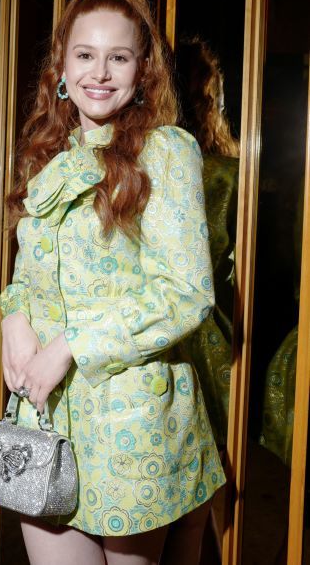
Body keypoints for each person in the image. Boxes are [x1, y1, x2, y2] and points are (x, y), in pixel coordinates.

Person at [0, 0, 225, 565]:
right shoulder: (48, 156)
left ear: (142, 69)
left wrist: (71, 344)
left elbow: (187, 291)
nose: (99, 73)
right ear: (62, 65)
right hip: (47, 415)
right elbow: (29, 270)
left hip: (134, 429)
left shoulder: (166, 151)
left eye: (118, 57)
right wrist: (13, 315)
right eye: (85, 54)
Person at [161, 38, 239, 564]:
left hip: (162, 327)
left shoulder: (152, 158)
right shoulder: (223, 171)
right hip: (207, 336)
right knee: (203, 483)